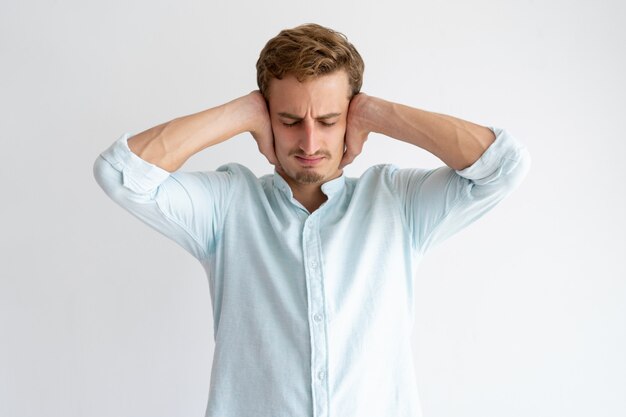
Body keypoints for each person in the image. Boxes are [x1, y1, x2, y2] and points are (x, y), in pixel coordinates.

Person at [94, 23, 530, 417]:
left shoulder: (398, 201)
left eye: (328, 120)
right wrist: (240, 114)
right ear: (268, 118)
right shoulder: (227, 206)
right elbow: (120, 173)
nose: (309, 141)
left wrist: (378, 114)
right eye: (288, 120)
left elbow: (504, 166)